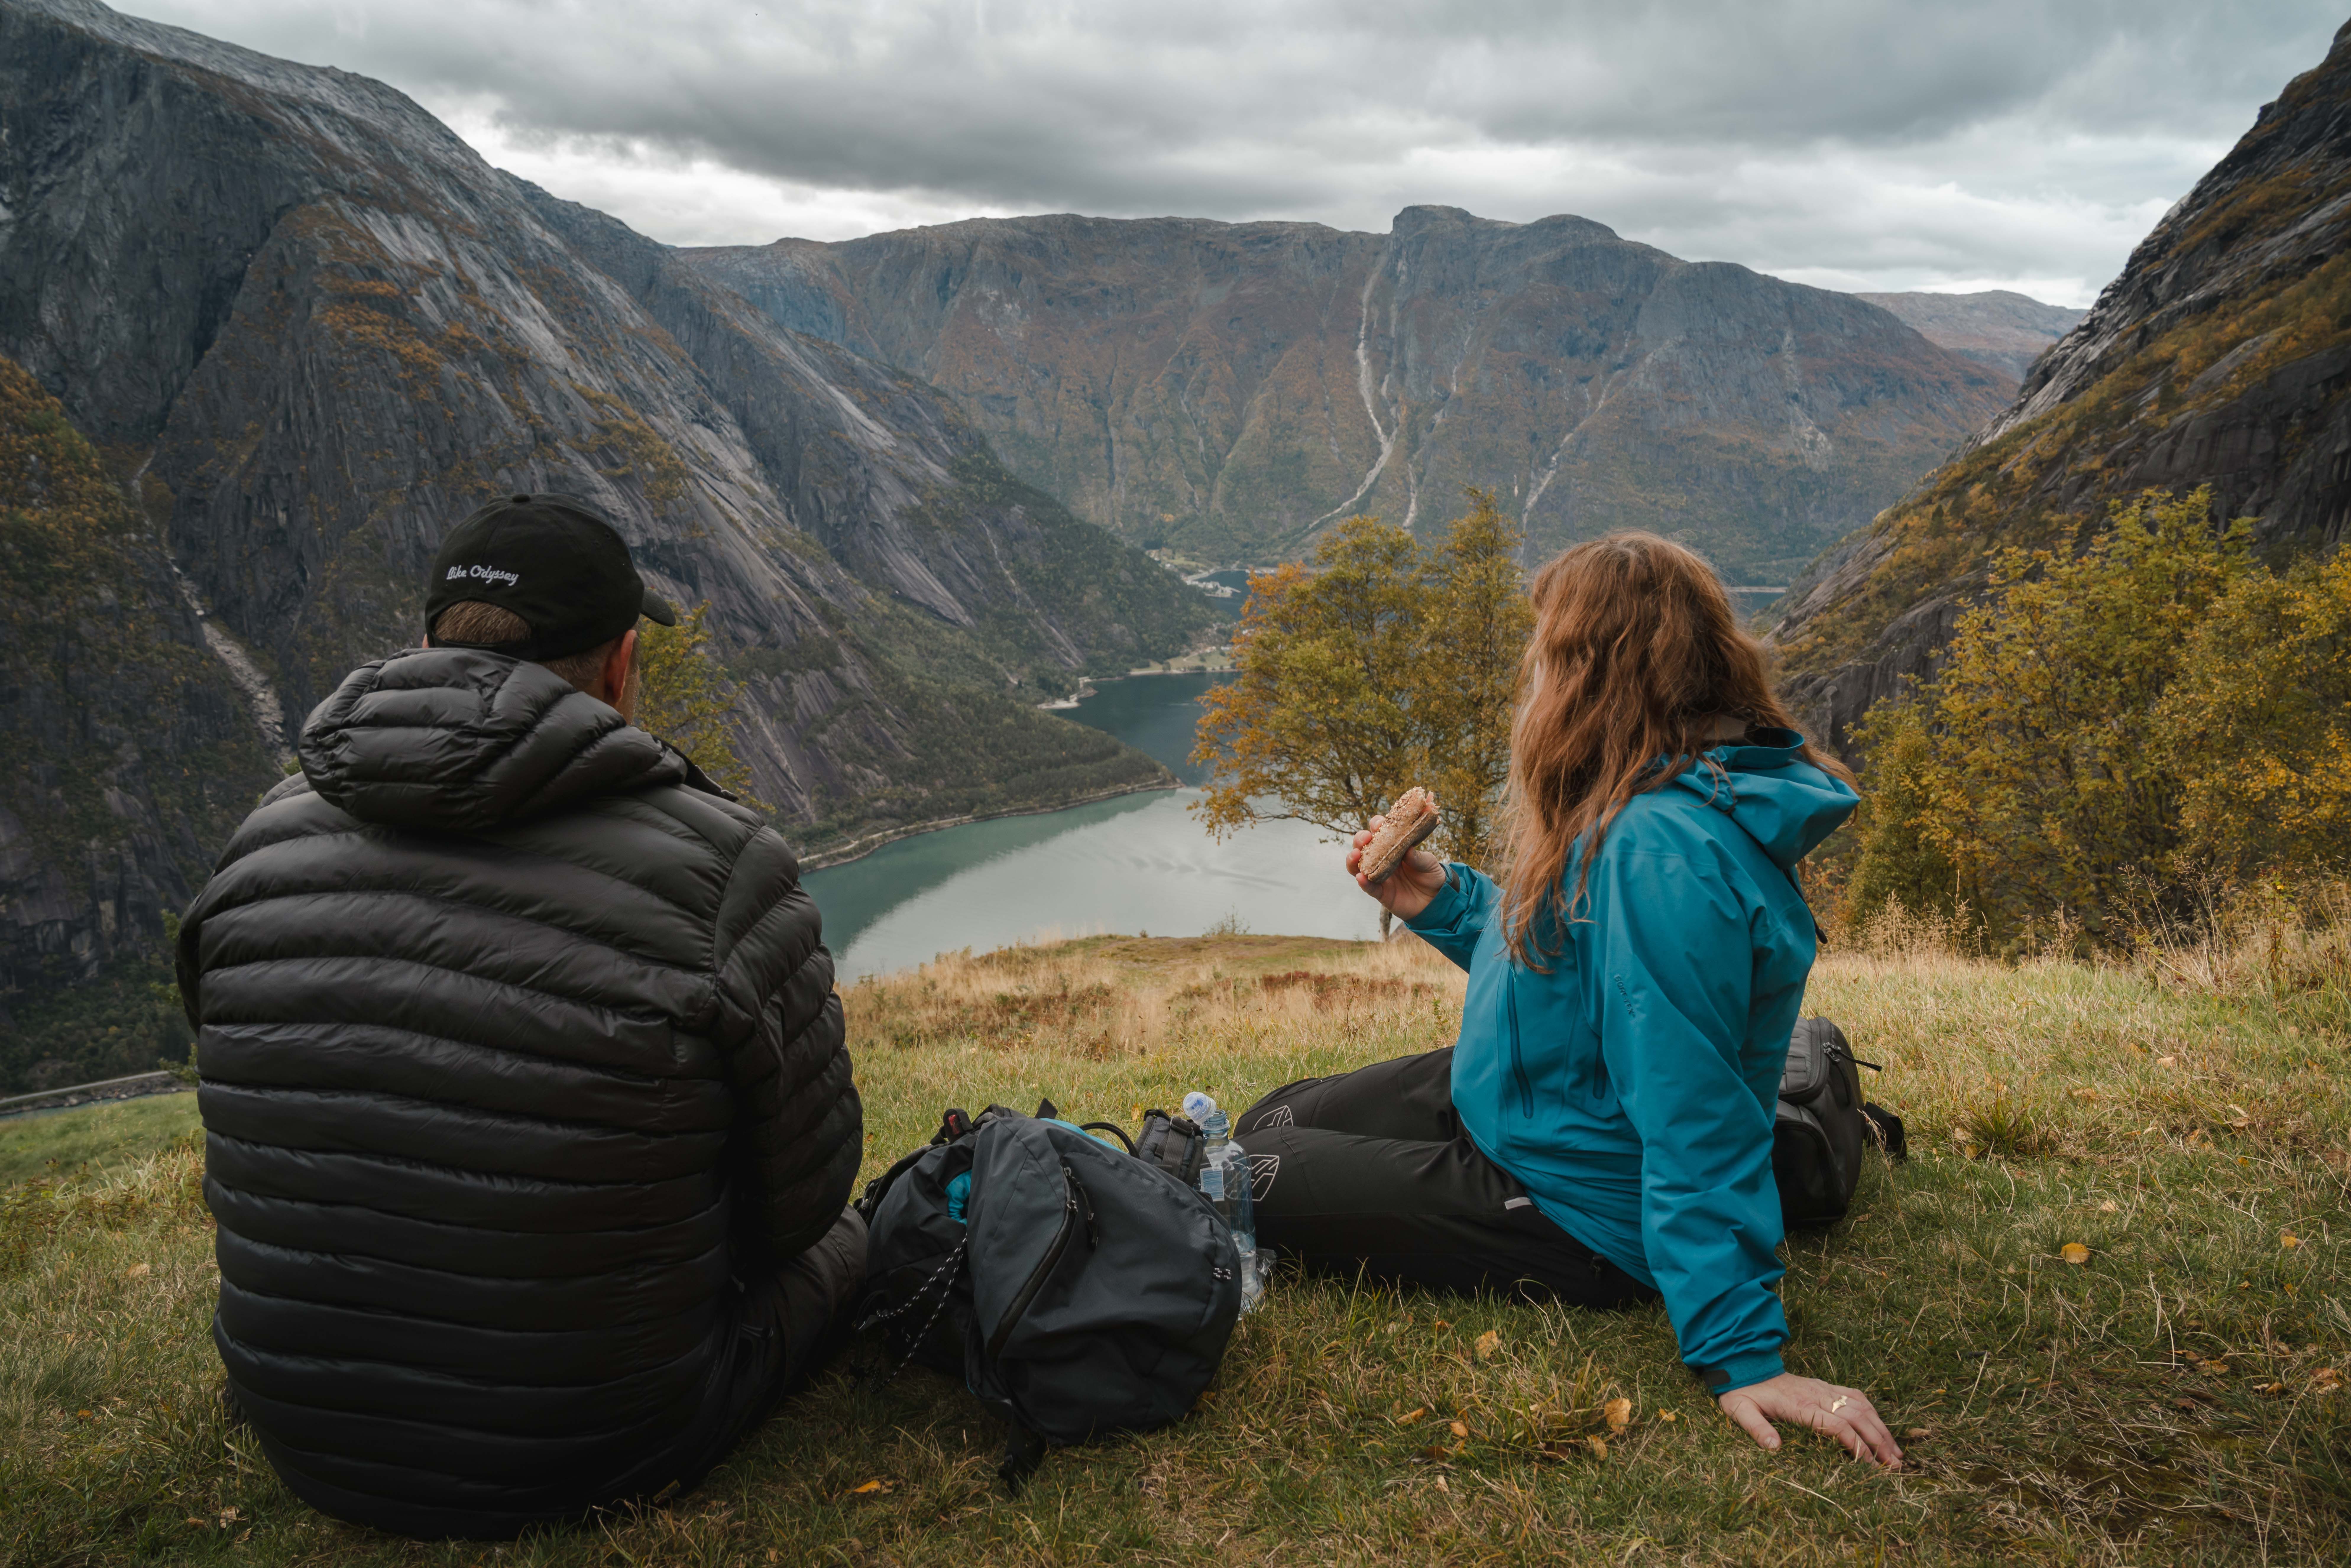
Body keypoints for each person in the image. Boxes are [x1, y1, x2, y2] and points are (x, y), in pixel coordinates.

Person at [176, 494, 865, 1538]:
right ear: (624, 665)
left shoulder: (257, 849)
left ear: (427, 646)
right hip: (605, 1445)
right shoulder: (720, 871)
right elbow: (802, 1205)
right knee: (855, 1242)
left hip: (305, 1429)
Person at [1237, 530, 1903, 1469]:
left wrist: (1743, 1354)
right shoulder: (1644, 791)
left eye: (1546, 655)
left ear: (1594, 673)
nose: (1532, 682)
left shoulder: (1661, 850)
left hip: (1575, 1201)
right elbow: (1569, 963)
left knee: (1240, 1174)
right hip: (1522, 1104)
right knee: (1269, 1120)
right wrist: (1444, 901)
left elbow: (1693, 1109)